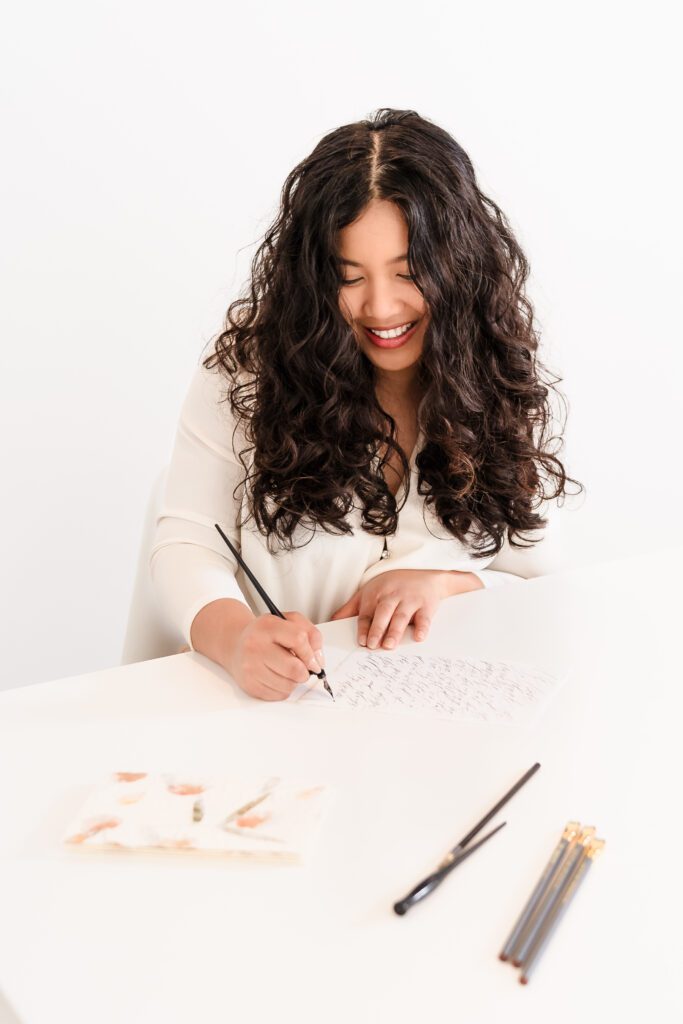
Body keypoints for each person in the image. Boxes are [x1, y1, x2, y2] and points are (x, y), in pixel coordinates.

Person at [150, 107, 582, 702]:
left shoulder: (492, 372)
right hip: (276, 716)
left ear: (456, 269)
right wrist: (237, 639)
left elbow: (542, 582)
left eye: (408, 273)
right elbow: (187, 542)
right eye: (350, 277)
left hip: (436, 720)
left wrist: (445, 583)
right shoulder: (249, 371)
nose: (381, 309)